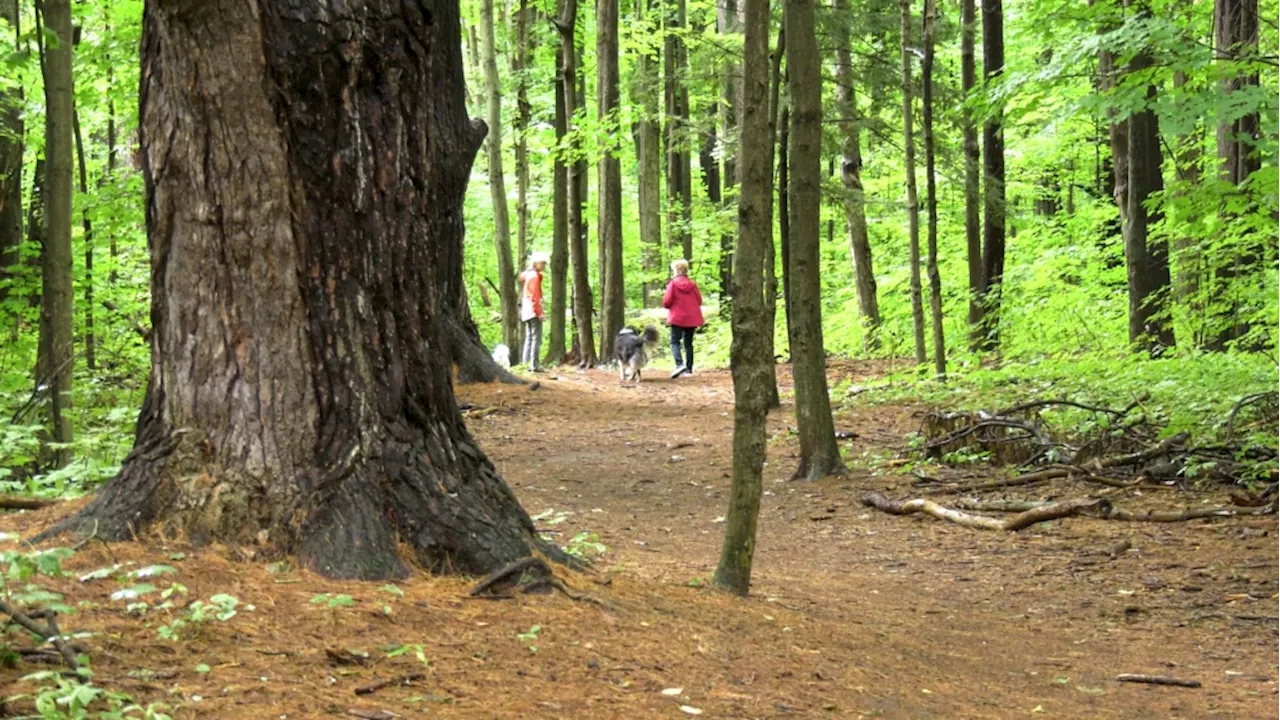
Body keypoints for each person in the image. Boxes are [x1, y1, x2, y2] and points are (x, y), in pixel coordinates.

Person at [662, 258, 703, 378]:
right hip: (691, 318)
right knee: (688, 343)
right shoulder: (692, 284)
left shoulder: (673, 284)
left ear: (675, 270)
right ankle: (689, 369)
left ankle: (679, 364)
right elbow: (699, 301)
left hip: (678, 317)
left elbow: (667, 302)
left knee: (675, 342)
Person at [518, 252, 548, 371]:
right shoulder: (534, 277)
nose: (544, 265)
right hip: (532, 309)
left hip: (526, 309)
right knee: (536, 338)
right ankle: (534, 364)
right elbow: (535, 296)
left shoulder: (529, 275)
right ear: (536, 263)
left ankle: (526, 364)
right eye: (543, 263)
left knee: (529, 337)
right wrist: (539, 312)